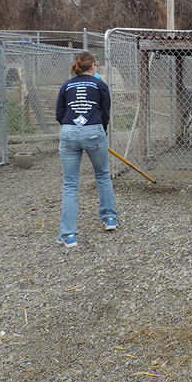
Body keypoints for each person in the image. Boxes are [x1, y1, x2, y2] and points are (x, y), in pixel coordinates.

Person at [55, 51, 118, 247]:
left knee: (70, 184)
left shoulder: (66, 85)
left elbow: (59, 112)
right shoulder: (100, 84)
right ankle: (109, 219)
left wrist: (71, 127)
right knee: (102, 174)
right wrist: (100, 130)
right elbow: (105, 112)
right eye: (96, 65)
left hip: (68, 132)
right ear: (92, 67)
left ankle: (68, 235)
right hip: (93, 132)